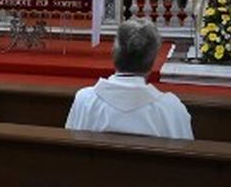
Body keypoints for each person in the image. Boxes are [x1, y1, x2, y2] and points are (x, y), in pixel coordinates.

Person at [65, 19, 194, 140]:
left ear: (114, 53)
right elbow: (185, 151)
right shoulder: (171, 109)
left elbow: (70, 147)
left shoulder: (85, 102)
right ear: (153, 60)